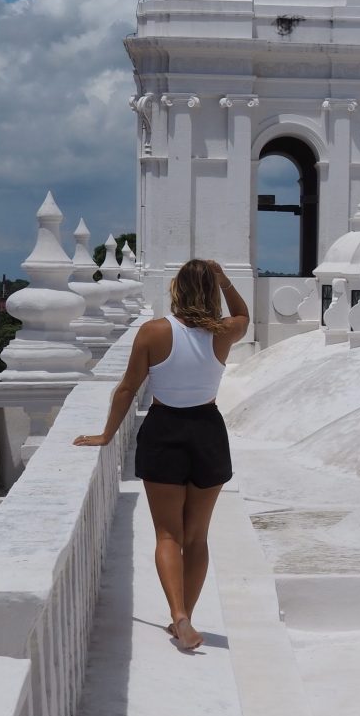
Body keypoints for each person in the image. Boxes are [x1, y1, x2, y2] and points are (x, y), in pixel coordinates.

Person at [74, 259, 249, 651]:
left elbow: (126, 388)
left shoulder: (154, 332)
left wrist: (106, 434)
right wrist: (224, 280)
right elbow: (242, 313)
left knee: (168, 534)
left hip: (164, 430)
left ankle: (179, 617)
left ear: (176, 289)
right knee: (197, 537)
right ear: (209, 292)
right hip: (207, 431)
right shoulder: (224, 333)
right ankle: (186, 616)